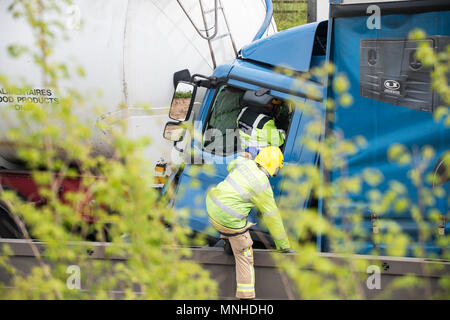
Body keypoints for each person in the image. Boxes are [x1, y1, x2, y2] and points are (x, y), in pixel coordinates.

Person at [205, 146, 291, 299]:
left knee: (236, 218)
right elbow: (273, 218)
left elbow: (231, 165)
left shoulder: (246, 164)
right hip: (227, 219)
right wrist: (283, 246)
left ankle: (228, 243)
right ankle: (246, 296)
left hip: (212, 207)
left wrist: (245, 155)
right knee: (245, 254)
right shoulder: (262, 184)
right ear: (273, 166)